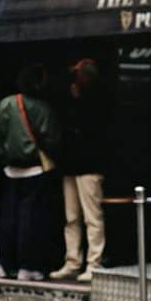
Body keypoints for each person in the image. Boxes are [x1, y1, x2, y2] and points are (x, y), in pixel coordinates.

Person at [0, 64, 62, 281]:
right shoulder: (43, 109)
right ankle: (28, 266)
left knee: (8, 219)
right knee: (31, 221)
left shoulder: (7, 104)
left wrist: (3, 157)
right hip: (35, 169)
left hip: (11, 170)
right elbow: (53, 139)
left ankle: (5, 264)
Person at [50, 58, 108, 283]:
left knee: (91, 217)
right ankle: (73, 261)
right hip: (73, 165)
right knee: (72, 217)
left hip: (88, 166)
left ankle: (93, 262)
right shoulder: (74, 101)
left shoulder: (95, 102)